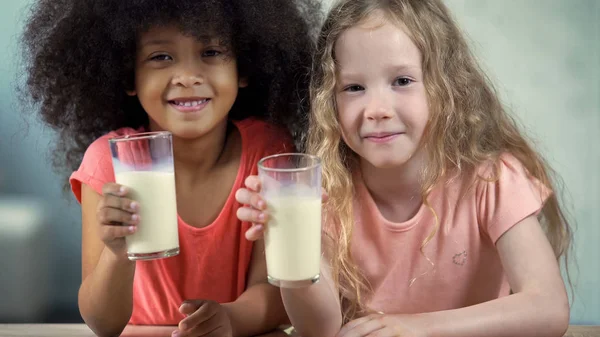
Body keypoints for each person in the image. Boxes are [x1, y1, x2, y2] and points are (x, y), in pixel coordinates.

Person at [236, 0, 573, 336]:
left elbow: (548, 307)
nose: (377, 109)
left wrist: (417, 328)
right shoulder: (326, 193)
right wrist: (293, 243)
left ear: (447, 87)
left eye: (402, 81)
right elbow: (319, 329)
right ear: (329, 101)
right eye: (354, 88)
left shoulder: (494, 181)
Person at [20, 0, 320, 336]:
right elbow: (102, 323)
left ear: (244, 67)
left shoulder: (268, 153)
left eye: (211, 52)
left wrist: (231, 319)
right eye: (161, 57)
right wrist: (117, 254)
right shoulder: (108, 163)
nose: (189, 76)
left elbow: (278, 291)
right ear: (127, 74)